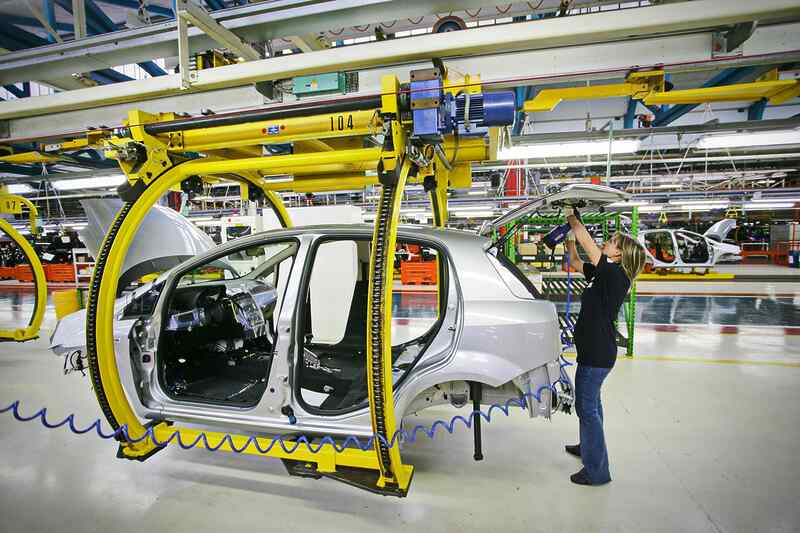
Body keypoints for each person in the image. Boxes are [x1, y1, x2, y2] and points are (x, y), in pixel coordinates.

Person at [563, 210, 646, 486]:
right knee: (592, 406)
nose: (606, 243)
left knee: (586, 408)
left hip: (597, 355)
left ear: (620, 254)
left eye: (611, 242)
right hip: (594, 352)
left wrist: (574, 219)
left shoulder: (616, 275)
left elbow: (589, 245)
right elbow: (576, 261)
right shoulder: (602, 274)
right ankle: (588, 446)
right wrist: (570, 243)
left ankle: (597, 471)